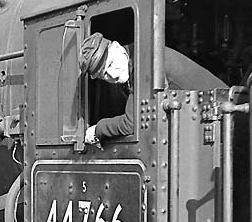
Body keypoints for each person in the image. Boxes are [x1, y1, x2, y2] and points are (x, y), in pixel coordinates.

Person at [78, 32, 225, 146]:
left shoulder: (145, 60)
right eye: (104, 75)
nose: (112, 74)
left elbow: (132, 124)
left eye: (110, 64)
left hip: (225, 123)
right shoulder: (130, 64)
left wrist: (97, 130)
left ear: (117, 47)